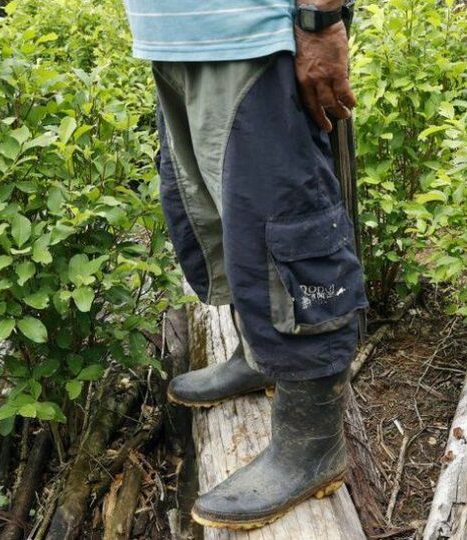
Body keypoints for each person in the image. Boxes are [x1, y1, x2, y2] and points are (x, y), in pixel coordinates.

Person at [123, 0, 368, 530]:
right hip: (175, 39)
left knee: (288, 227)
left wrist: (320, 19)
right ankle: (258, 355)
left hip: (255, 36)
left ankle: (312, 444)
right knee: (223, 216)